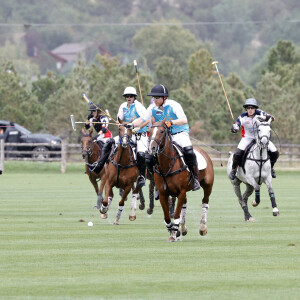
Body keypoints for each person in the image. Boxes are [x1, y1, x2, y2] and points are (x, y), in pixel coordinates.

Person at [126, 84, 201, 191]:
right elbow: (142, 120)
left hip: (180, 133)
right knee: (149, 157)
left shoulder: (174, 105)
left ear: (164, 98)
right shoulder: (152, 108)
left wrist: (171, 122)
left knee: (189, 152)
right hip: (165, 135)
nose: (154, 100)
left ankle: (195, 178)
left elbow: (184, 120)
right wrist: (132, 124)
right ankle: (157, 180)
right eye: (153, 98)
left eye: (157, 98)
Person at [86, 87, 148, 187]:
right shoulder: (123, 106)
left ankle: (141, 176)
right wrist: (122, 124)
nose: (129, 97)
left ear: (134, 97)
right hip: (127, 133)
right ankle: (99, 165)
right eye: (127, 96)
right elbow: (119, 120)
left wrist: (132, 124)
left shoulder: (139, 106)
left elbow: (145, 119)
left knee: (140, 153)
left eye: (131, 96)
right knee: (109, 142)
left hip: (140, 134)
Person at [229, 98, 279, 180]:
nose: (250, 110)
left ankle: (271, 168)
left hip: (260, 137)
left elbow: (272, 118)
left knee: (275, 152)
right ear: (246, 109)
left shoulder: (260, 113)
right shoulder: (242, 117)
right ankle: (233, 170)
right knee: (237, 153)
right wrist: (235, 128)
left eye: (252, 108)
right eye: (248, 108)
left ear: (255, 108)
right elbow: (236, 126)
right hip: (247, 137)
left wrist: (265, 118)